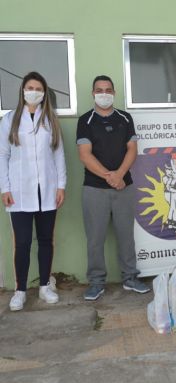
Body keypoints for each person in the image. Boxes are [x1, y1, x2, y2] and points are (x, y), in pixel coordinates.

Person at [76, 75, 150, 301]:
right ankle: (96, 282)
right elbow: (84, 155)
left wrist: (119, 175)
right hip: (94, 189)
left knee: (126, 236)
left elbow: (132, 149)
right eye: (99, 90)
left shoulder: (125, 118)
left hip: (123, 188)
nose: (104, 94)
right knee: (95, 238)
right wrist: (110, 177)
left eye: (108, 90)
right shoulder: (85, 120)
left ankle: (130, 278)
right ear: (93, 93)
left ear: (114, 93)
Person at [0, 71, 66, 311]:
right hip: (19, 192)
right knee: (24, 242)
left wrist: (61, 186)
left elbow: (58, 155)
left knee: (46, 240)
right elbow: (2, 156)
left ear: (44, 93)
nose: (34, 92)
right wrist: (4, 188)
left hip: (47, 190)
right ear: (22, 90)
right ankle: (20, 291)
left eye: (38, 88)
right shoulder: (10, 120)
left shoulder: (50, 119)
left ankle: (45, 287)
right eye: (30, 87)